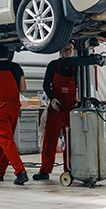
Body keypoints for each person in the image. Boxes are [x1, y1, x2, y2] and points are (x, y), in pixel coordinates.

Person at [0, 46, 29, 185]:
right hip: (14, 107)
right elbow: (23, 89)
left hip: (0, 108)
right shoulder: (16, 67)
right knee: (6, 140)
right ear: (8, 55)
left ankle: (20, 171)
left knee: (6, 140)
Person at [34, 42, 78, 181]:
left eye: (70, 49)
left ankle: (69, 170)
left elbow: (82, 85)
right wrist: (52, 99)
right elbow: (46, 85)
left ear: (74, 50)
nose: (68, 51)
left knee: (71, 140)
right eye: (66, 49)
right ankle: (45, 170)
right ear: (60, 51)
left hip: (71, 107)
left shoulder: (77, 66)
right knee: (50, 139)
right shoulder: (53, 65)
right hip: (56, 106)